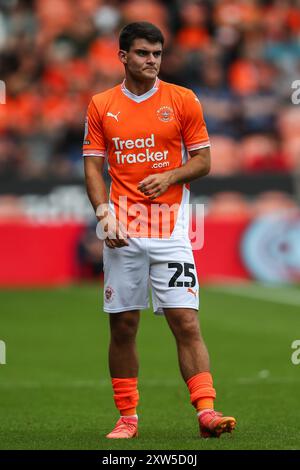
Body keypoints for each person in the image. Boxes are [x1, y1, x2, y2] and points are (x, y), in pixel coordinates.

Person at [83, 21, 236, 439]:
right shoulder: (101, 105)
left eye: (156, 54)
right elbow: (93, 165)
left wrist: (169, 176)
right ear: (123, 57)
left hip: (171, 232)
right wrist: (103, 213)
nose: (151, 61)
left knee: (185, 322)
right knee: (124, 325)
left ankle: (206, 411)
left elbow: (204, 161)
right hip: (121, 231)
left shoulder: (183, 99)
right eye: (142, 53)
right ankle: (127, 418)